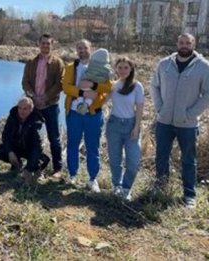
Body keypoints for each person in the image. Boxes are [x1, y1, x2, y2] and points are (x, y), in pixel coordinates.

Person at [150, 33, 209, 209]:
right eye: (181, 42)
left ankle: (189, 195)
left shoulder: (203, 67)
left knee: (188, 160)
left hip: (187, 124)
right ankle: (161, 186)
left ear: (193, 44)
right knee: (161, 156)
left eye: (188, 43)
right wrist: (160, 107)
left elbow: (207, 94)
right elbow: (154, 85)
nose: (184, 45)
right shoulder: (164, 64)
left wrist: (192, 113)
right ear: (177, 43)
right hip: (164, 121)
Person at [62, 39, 113, 192]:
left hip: (93, 114)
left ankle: (93, 179)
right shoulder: (71, 67)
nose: (82, 50)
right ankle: (72, 175)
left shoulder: (102, 67)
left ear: (90, 48)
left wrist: (94, 86)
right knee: (72, 144)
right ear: (76, 50)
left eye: (85, 47)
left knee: (93, 146)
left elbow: (109, 87)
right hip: (74, 112)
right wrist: (82, 92)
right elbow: (66, 87)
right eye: (79, 47)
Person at [22, 33, 64, 175]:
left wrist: (45, 97)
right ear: (38, 44)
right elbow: (25, 82)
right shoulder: (31, 62)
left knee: (54, 138)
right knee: (32, 135)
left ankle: (57, 168)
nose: (45, 45)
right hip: (33, 106)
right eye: (43, 43)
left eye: (48, 43)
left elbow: (60, 84)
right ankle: (33, 165)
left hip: (50, 105)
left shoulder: (58, 63)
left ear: (52, 45)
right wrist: (33, 96)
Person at [106, 57, 144, 201]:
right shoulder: (113, 85)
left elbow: (140, 108)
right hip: (114, 125)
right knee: (115, 159)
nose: (122, 70)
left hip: (131, 125)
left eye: (126, 67)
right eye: (120, 67)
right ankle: (117, 185)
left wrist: (136, 127)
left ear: (131, 69)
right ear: (116, 69)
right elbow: (102, 100)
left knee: (133, 161)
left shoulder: (137, 86)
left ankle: (127, 188)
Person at [0, 97, 50, 184]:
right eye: (20, 108)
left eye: (25, 109)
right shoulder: (13, 115)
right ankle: (17, 163)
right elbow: (5, 135)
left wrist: (28, 169)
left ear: (31, 110)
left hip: (30, 149)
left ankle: (35, 166)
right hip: (17, 146)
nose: (21, 111)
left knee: (36, 164)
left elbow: (37, 146)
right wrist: (10, 152)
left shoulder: (36, 121)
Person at [76, 48, 114, 114]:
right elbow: (111, 81)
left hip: (84, 86)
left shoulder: (90, 64)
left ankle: (80, 103)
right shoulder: (106, 68)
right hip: (94, 92)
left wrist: (91, 84)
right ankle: (86, 105)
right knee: (91, 97)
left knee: (81, 94)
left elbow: (108, 88)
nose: (82, 50)